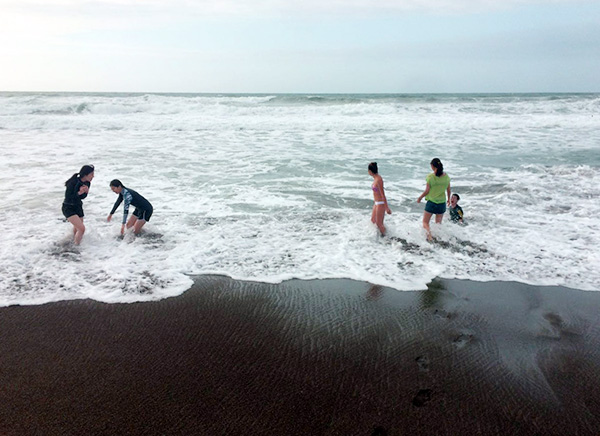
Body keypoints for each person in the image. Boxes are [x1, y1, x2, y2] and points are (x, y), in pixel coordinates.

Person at [417, 158, 451, 241]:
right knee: (438, 224)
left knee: (425, 222)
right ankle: (438, 238)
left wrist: (420, 197)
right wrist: (449, 199)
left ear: (433, 166)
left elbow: (427, 191)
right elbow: (448, 190)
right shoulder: (446, 177)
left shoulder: (430, 177)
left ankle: (429, 237)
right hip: (442, 203)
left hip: (432, 203)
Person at [62, 164, 95, 245]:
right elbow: (68, 197)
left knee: (77, 229)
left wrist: (84, 192)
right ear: (86, 174)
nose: (93, 176)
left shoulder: (87, 183)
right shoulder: (73, 182)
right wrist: (79, 192)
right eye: (91, 174)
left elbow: (82, 197)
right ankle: (76, 247)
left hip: (78, 206)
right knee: (82, 229)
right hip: (68, 207)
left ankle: (72, 243)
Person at [368, 162, 392, 236]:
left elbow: (382, 194)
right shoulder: (375, 179)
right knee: (373, 221)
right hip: (376, 203)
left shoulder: (379, 179)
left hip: (380, 203)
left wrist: (386, 207)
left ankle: (386, 237)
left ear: (370, 171)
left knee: (379, 223)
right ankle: (379, 236)